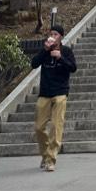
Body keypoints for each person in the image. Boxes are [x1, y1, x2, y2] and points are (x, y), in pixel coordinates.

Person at [31, 24, 77, 172]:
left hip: (60, 92)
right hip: (45, 93)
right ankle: (45, 155)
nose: (52, 36)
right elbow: (33, 64)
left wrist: (60, 57)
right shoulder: (45, 51)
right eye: (51, 34)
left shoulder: (66, 51)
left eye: (56, 34)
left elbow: (73, 67)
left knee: (56, 126)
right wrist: (45, 50)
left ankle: (51, 160)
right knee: (39, 127)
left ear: (61, 37)